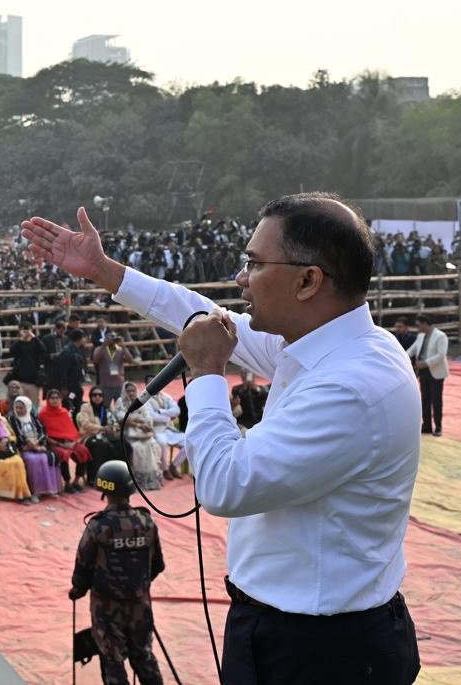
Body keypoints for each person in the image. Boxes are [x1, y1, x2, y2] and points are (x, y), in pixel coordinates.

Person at [23, 196, 422, 682]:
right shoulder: (330, 344)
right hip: (288, 626)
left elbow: (225, 485)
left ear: (308, 281)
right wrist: (106, 272)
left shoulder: (351, 386)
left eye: (253, 263)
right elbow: (203, 315)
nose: (240, 278)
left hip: (323, 648)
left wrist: (207, 372)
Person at [68, 461, 165, 685]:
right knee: (144, 656)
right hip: (140, 605)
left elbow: (83, 566)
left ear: (104, 491)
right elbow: (157, 564)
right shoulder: (146, 522)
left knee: (112, 660)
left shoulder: (97, 527)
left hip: (106, 609)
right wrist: (137, 586)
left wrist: (78, 589)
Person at [7, 396, 60, 501]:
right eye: (16, 408)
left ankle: (48, 489)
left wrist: (38, 444)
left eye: (21, 408)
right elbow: (15, 434)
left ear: (27, 407)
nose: (18, 410)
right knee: (33, 461)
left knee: (46, 458)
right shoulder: (12, 419)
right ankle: (34, 492)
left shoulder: (33, 417)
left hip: (38, 445)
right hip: (23, 448)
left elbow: (43, 431)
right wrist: (30, 445)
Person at [39, 389, 91, 494]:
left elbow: (71, 430)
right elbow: (44, 435)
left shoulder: (64, 412)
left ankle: (76, 481)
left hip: (69, 441)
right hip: (53, 442)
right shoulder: (43, 414)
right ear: (47, 400)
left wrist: (73, 443)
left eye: (57, 398)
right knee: (63, 454)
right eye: (52, 398)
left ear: (61, 399)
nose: (54, 400)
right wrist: (60, 444)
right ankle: (67, 483)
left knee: (83, 451)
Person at [406, 314, 448, 437]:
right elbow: (411, 350)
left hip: (435, 372)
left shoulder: (440, 336)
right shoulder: (420, 336)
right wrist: (402, 357)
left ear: (425, 323)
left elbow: (441, 355)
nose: (418, 328)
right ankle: (427, 425)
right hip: (423, 372)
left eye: (419, 325)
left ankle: (438, 427)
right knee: (425, 399)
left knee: (436, 401)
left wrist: (425, 363)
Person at [91, 332, 134, 404]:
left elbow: (130, 361)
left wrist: (124, 346)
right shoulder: (100, 349)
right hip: (105, 384)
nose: (113, 339)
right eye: (111, 337)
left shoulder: (120, 349)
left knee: (121, 407)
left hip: (119, 384)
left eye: (114, 337)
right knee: (105, 406)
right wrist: (104, 346)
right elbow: (95, 360)